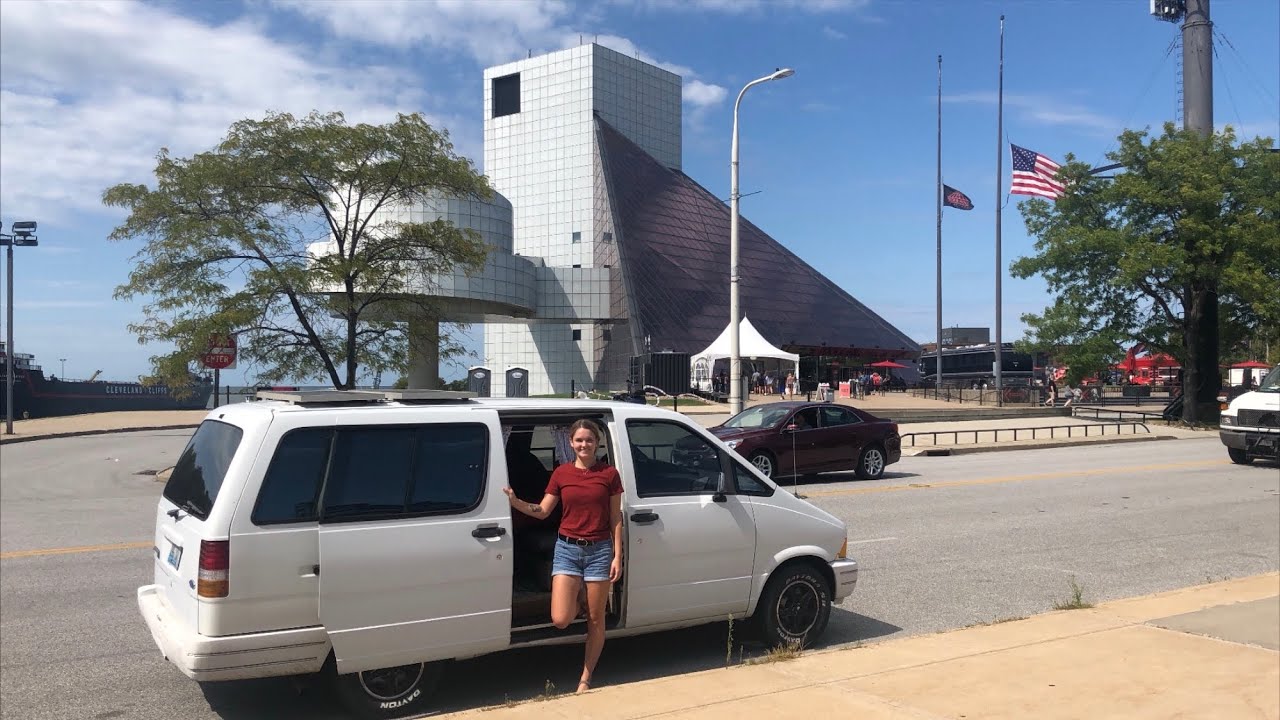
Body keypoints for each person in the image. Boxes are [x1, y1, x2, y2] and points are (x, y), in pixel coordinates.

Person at [504, 419, 622, 693]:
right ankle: (580, 593)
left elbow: (616, 517)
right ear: (570, 443)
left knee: (596, 619)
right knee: (560, 618)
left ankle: (586, 676)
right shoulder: (561, 474)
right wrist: (516, 502)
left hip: (599, 550)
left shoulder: (609, 474)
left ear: (598, 442)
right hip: (567, 549)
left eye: (589, 440)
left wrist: (617, 555)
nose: (584, 445)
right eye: (579, 440)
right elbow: (543, 511)